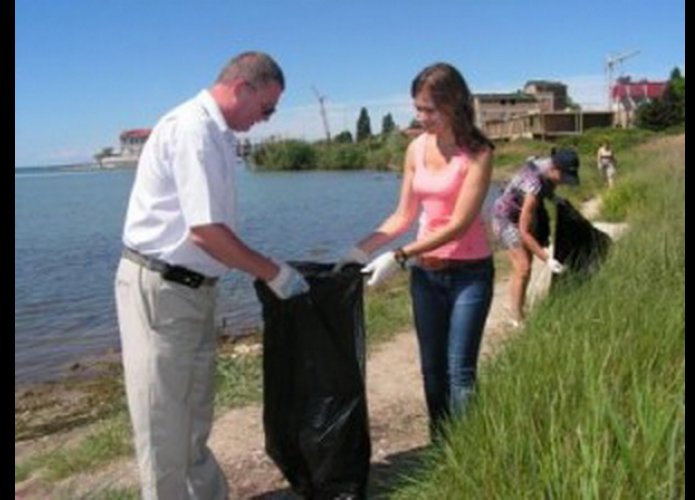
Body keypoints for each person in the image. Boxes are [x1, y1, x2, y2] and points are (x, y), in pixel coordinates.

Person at [115, 51, 309, 499]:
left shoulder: (219, 135)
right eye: (267, 108)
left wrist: (259, 270)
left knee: (194, 414)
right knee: (163, 422)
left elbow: (210, 231)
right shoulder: (193, 130)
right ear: (243, 88)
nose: (266, 119)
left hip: (194, 290)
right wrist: (273, 273)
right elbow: (204, 232)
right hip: (160, 290)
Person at [337, 62, 495, 439]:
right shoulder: (415, 149)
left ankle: (468, 452)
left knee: (460, 373)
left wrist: (398, 256)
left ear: (455, 103)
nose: (421, 117)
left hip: (470, 273)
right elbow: (402, 215)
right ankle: (441, 447)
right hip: (426, 274)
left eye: (429, 109)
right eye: (418, 108)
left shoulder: (479, 153)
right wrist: (358, 250)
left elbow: (458, 223)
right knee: (431, 370)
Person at [491, 147, 581, 326]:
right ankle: (515, 318)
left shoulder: (549, 168)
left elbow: (548, 187)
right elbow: (523, 232)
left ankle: (517, 307)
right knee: (522, 267)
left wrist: (555, 199)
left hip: (521, 216)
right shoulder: (533, 185)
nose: (564, 182)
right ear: (555, 169)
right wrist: (547, 259)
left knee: (526, 267)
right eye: (563, 178)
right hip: (505, 219)